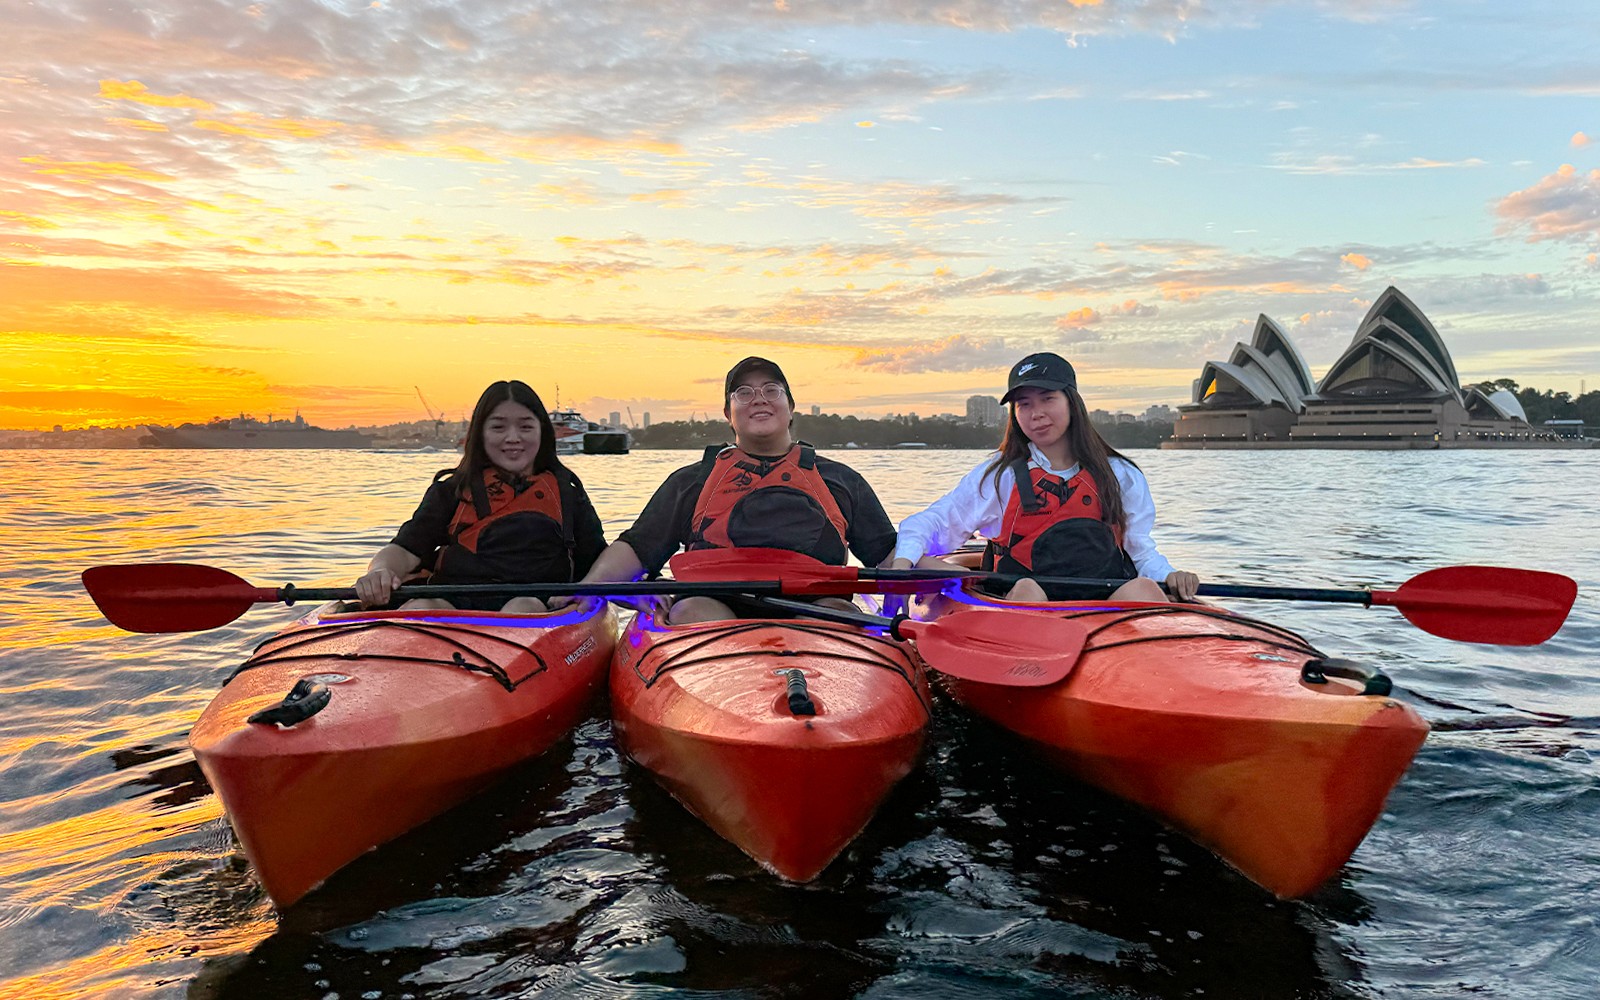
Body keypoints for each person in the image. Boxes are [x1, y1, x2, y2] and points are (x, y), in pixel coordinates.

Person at [560, 357, 897, 623]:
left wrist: (946, 579)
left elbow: (888, 552)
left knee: (839, 615)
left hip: (817, 608)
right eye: (744, 393)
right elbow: (638, 548)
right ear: (728, 413)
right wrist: (591, 587)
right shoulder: (692, 481)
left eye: (771, 390)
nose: (759, 400)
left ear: (790, 408)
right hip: (712, 609)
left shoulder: (841, 480)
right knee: (692, 613)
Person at [892, 352, 1198, 603]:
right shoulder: (1000, 476)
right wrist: (903, 565)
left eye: (1047, 398)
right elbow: (934, 522)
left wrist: (1170, 576)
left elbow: (1139, 549)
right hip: (1025, 598)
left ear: (1071, 402)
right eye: (1024, 404)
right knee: (1028, 591)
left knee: (1143, 589)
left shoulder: (1119, 474)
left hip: (1104, 601)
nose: (1036, 413)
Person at [353, 380, 607, 612]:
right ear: (480, 434)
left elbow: (599, 562)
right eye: (498, 427)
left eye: (526, 427)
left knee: (522, 607)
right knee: (421, 607)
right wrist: (380, 571)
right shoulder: (450, 491)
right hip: (455, 601)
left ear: (542, 433)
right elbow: (405, 549)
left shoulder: (569, 497)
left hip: (535, 607)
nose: (513, 438)